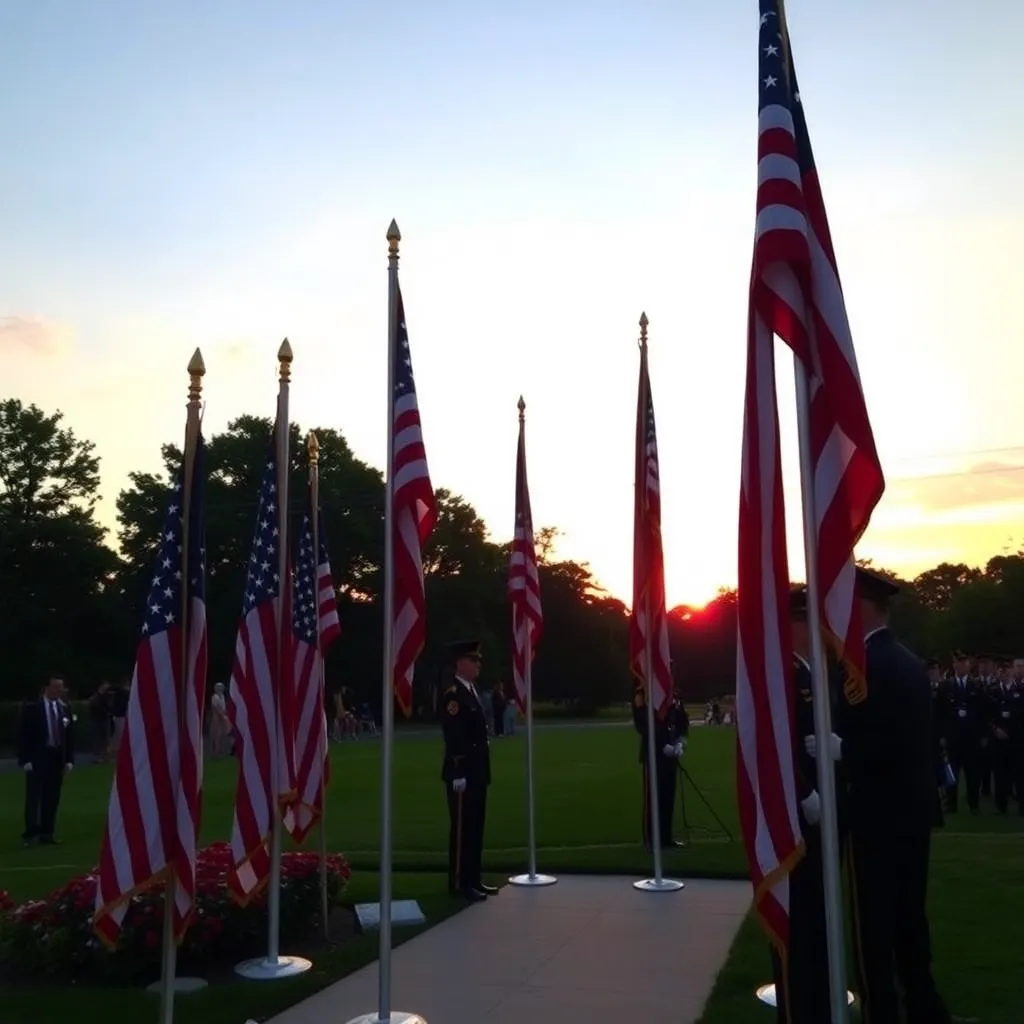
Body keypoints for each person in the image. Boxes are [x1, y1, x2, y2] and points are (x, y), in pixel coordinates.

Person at [808, 567, 952, 1024]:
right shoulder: (907, 660)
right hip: (911, 811)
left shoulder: (866, 665)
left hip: (876, 812)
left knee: (873, 923)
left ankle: (881, 1012)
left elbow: (890, 741)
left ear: (863, 609)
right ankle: (925, 1008)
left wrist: (842, 749)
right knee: (910, 918)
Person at [770, 586, 843, 1024]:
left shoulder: (813, 670)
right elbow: (774, 746)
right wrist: (803, 792)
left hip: (823, 806)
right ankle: (799, 1004)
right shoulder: (784, 675)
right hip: (798, 812)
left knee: (816, 910)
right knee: (799, 912)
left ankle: (817, 994)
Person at [440, 639, 496, 901]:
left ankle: (474, 878)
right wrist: (459, 770)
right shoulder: (453, 694)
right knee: (462, 828)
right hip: (461, 771)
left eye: (478, 661)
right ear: (460, 663)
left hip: (478, 769)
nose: (478, 665)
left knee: (476, 826)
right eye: (473, 660)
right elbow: (454, 735)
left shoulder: (472, 690)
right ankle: (460, 883)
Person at [17, 674, 76, 847]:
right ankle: (31, 833)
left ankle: (47, 832)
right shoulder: (33, 708)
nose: (60, 690)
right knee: (34, 797)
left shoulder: (64, 709)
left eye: (61, 687)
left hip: (56, 756)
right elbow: (23, 735)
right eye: (56, 687)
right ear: (46, 688)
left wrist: (69, 760)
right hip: (38, 757)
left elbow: (69, 737)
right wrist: (25, 759)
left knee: (52, 796)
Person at [632, 679, 685, 850]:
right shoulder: (643, 695)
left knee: (668, 796)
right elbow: (644, 725)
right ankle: (652, 839)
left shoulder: (673, 695)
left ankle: (666, 837)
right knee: (654, 798)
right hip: (654, 753)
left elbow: (682, 720)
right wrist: (662, 745)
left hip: (671, 753)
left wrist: (681, 742)